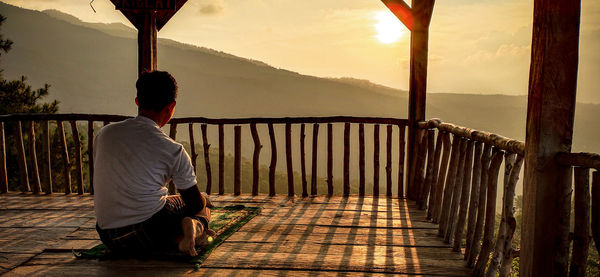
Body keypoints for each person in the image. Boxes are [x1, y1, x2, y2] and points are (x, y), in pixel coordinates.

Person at [93, 71, 213, 257]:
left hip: (110, 236)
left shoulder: (104, 134)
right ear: (171, 107)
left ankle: (179, 238)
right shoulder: (173, 149)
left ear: (137, 102)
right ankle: (195, 229)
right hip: (152, 230)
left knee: (168, 202)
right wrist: (200, 203)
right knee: (203, 204)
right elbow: (194, 202)